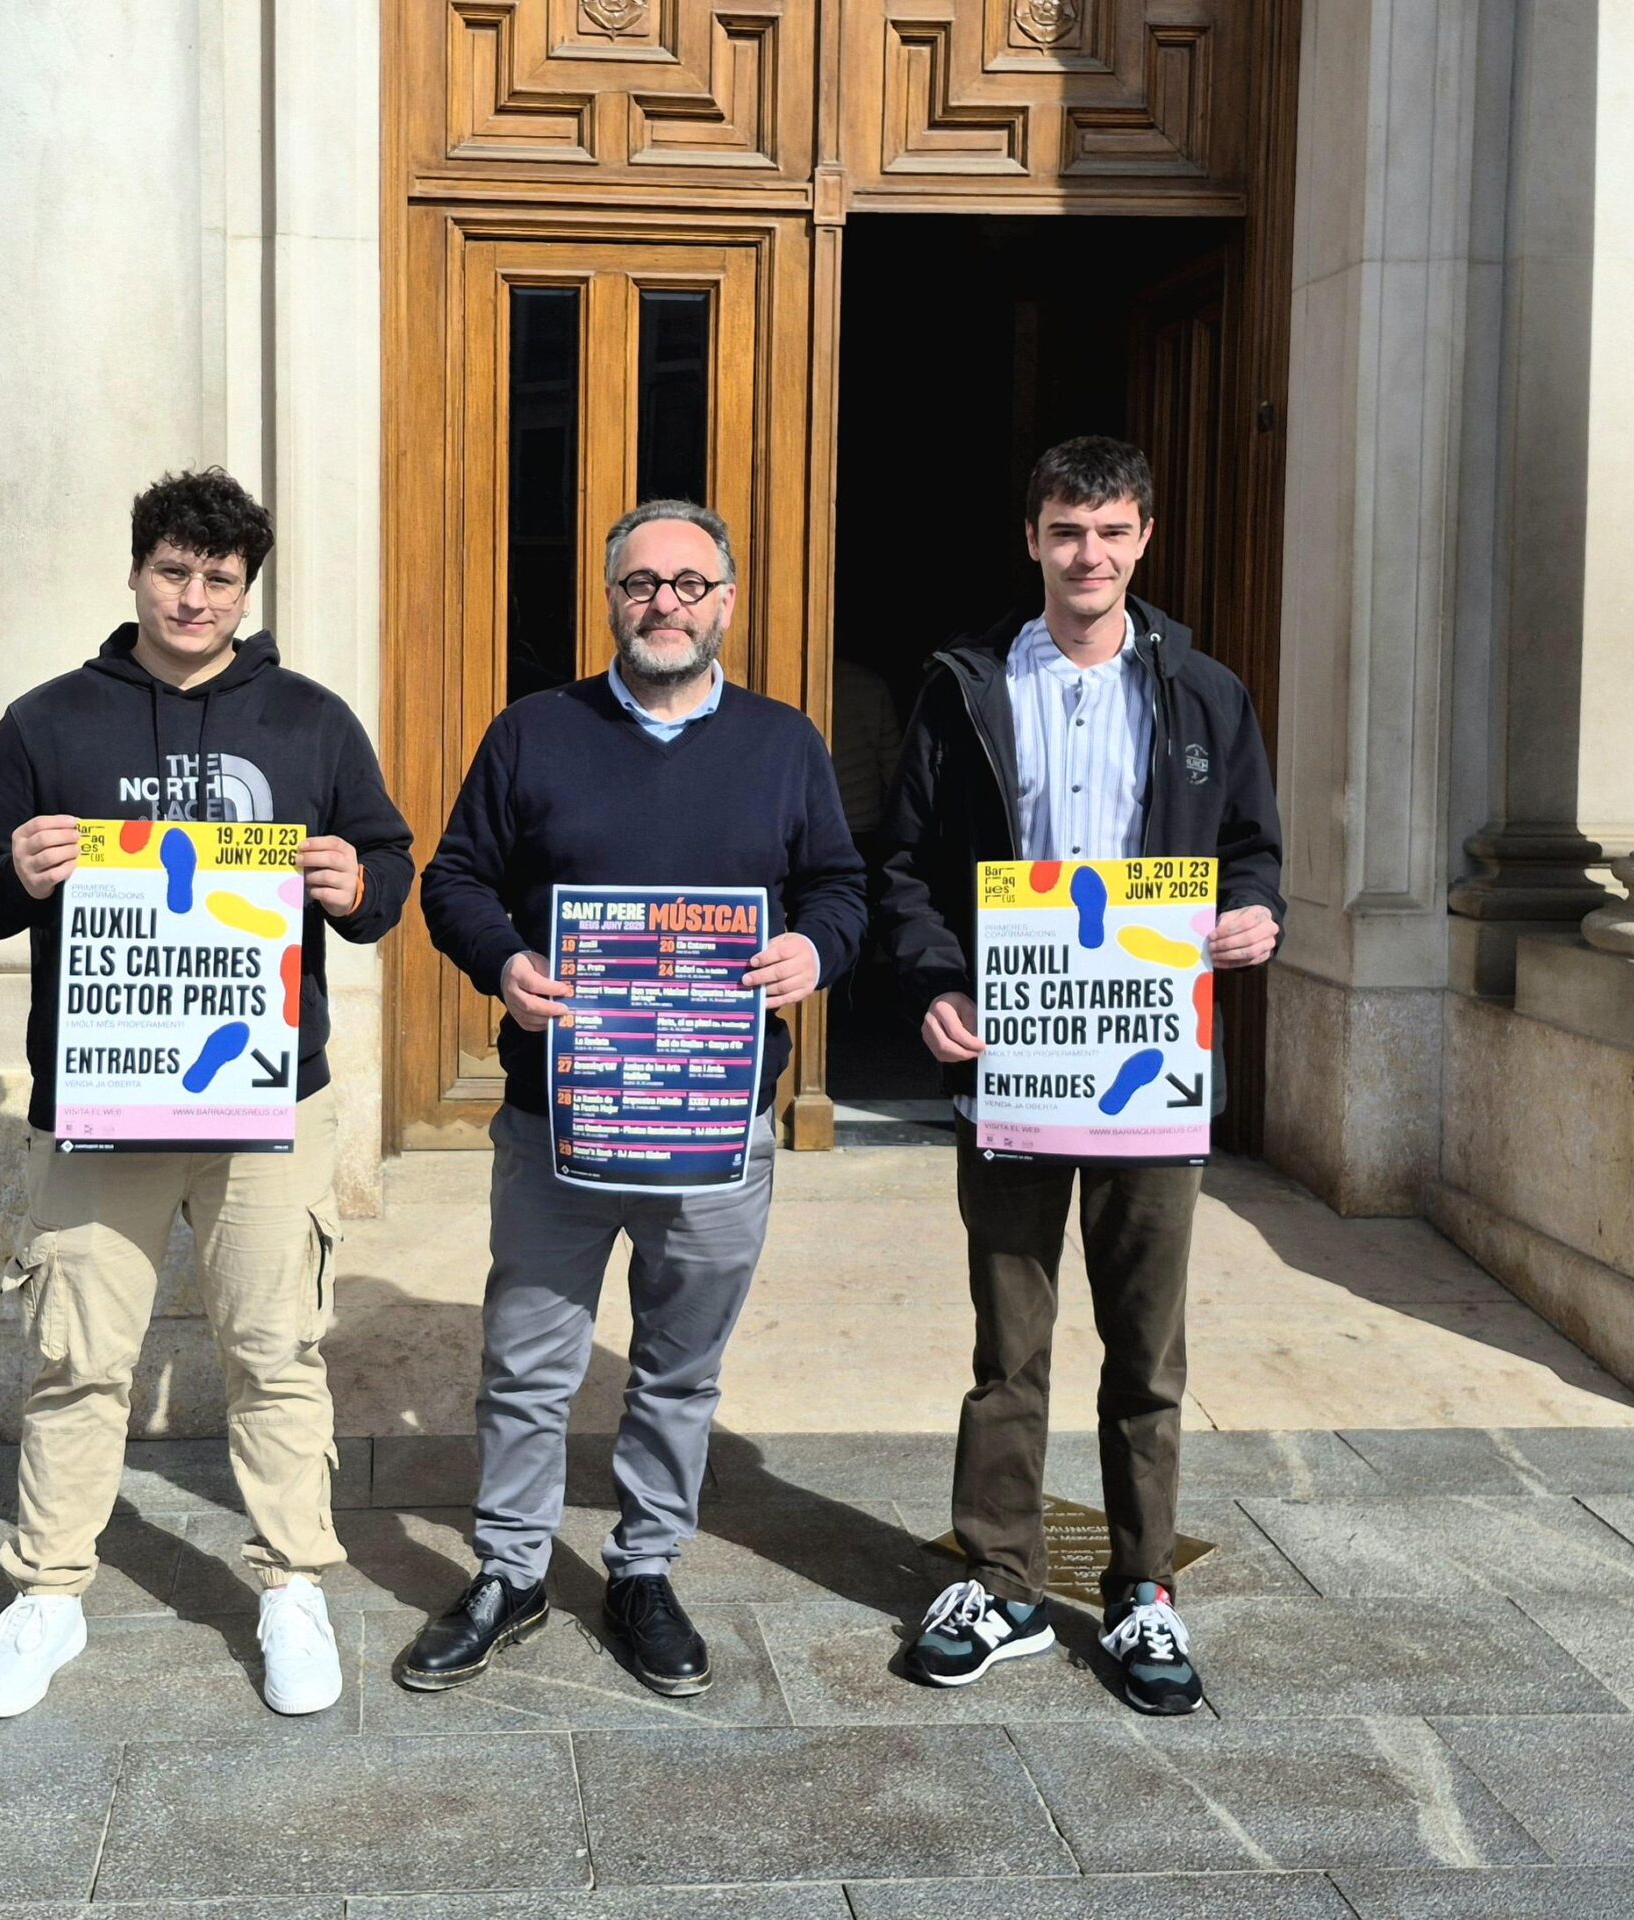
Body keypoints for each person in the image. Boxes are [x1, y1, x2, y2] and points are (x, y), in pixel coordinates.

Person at [0, 467, 413, 1718]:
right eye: (173, 572)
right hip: (103, 1103)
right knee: (78, 1356)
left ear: (247, 591)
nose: (193, 598)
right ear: (137, 570)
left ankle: (292, 1586)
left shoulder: (310, 721)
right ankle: (46, 1595)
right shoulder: (49, 722)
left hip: (269, 1101)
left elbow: (389, 867)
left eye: (219, 579)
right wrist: (16, 869)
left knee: (276, 1351)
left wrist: (358, 885)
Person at [402, 498, 866, 1696]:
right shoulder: (533, 732)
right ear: (610, 599)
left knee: (677, 1365)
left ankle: (644, 1568)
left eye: (689, 584)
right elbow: (454, 879)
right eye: (642, 583)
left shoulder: (782, 744)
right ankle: (510, 1571)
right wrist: (504, 962)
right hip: (558, 1119)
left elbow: (839, 887)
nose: (666, 603)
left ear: (726, 603)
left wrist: (814, 949)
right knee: (528, 1361)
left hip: (715, 1125)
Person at [874, 435, 1283, 1714]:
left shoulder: (1204, 693)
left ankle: (1141, 1589)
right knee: (1009, 1343)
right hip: (1014, 1061)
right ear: (1032, 539)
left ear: (1143, 538)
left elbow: (1252, 851)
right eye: (1065, 531)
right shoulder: (968, 688)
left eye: (1109, 532)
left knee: (1145, 1348)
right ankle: (999, 1580)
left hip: (1149, 1066)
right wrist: (938, 982)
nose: (1086, 555)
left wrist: (1255, 915)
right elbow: (905, 868)